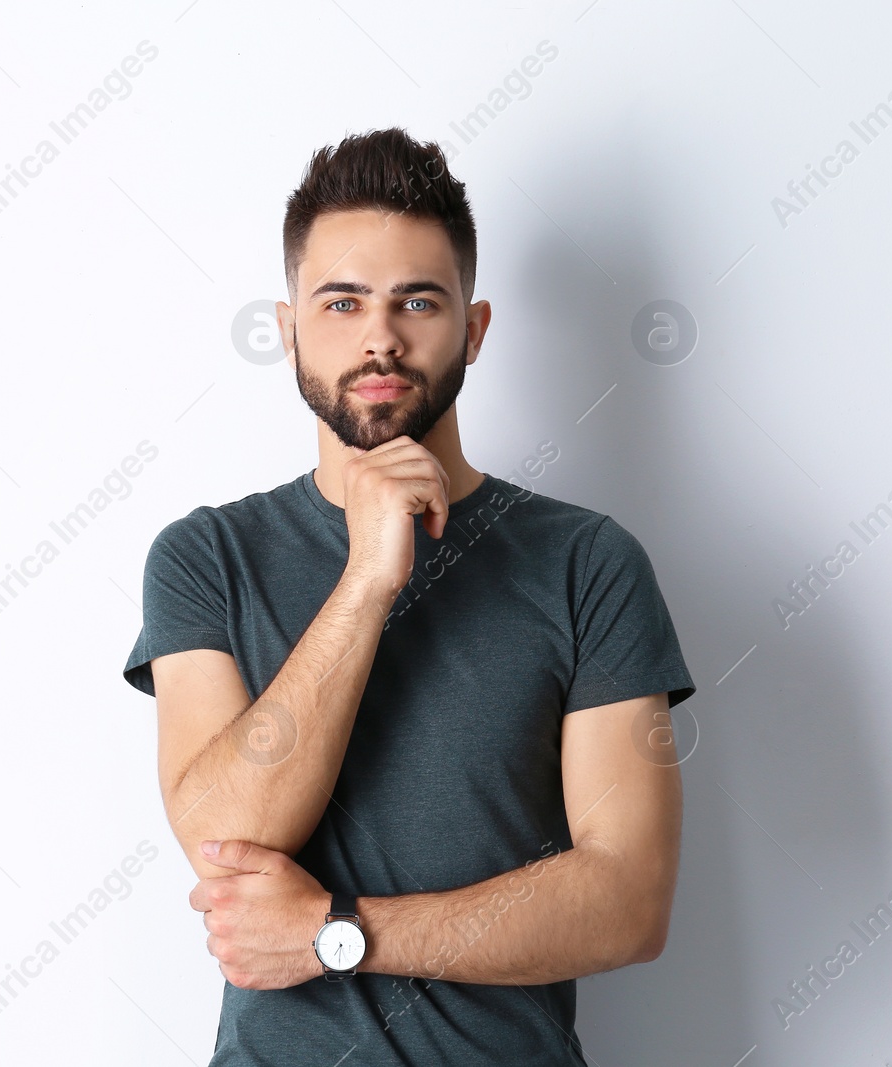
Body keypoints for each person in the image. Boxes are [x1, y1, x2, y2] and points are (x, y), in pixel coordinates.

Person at [122, 127, 696, 1066]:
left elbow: (628, 902)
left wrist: (336, 932)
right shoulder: (207, 557)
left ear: (472, 329)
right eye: (341, 302)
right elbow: (227, 836)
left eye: (416, 301)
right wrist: (366, 582)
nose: (379, 335)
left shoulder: (588, 561)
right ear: (287, 328)